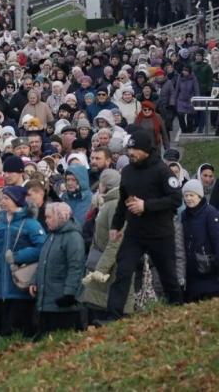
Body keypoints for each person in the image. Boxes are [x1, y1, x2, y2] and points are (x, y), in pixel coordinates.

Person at [106, 129, 183, 320]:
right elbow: (124, 200)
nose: (130, 153)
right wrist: (116, 225)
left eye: (135, 150)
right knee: (123, 273)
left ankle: (180, 313)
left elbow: (175, 199)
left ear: (146, 150)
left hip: (160, 234)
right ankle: (113, 317)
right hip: (135, 234)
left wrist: (146, 206)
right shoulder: (129, 171)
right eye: (129, 149)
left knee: (169, 278)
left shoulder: (162, 170)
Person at [0, 186, 46, 338]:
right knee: (4, 327)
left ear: (17, 201)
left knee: (19, 327)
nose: (2, 201)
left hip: (20, 285)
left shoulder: (31, 223)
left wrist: (18, 256)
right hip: (2, 287)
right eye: (2, 198)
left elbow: (42, 247)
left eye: (6, 198)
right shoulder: (1, 223)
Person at [79, 169, 135, 323]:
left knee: (108, 319)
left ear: (104, 185)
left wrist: (101, 269)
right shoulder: (111, 203)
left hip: (110, 272)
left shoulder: (115, 205)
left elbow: (116, 240)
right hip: (106, 268)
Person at [29, 202, 85, 336]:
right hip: (47, 301)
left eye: (49, 217)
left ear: (61, 217)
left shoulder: (73, 237)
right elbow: (43, 262)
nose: (46, 220)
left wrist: (69, 294)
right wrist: (34, 281)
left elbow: (76, 267)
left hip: (61, 304)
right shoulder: (52, 236)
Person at [180, 179, 219, 302]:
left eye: (192, 195)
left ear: (199, 196)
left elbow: (217, 239)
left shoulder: (210, 213)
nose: (188, 199)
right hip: (191, 271)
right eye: (186, 195)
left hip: (208, 270)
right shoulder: (184, 215)